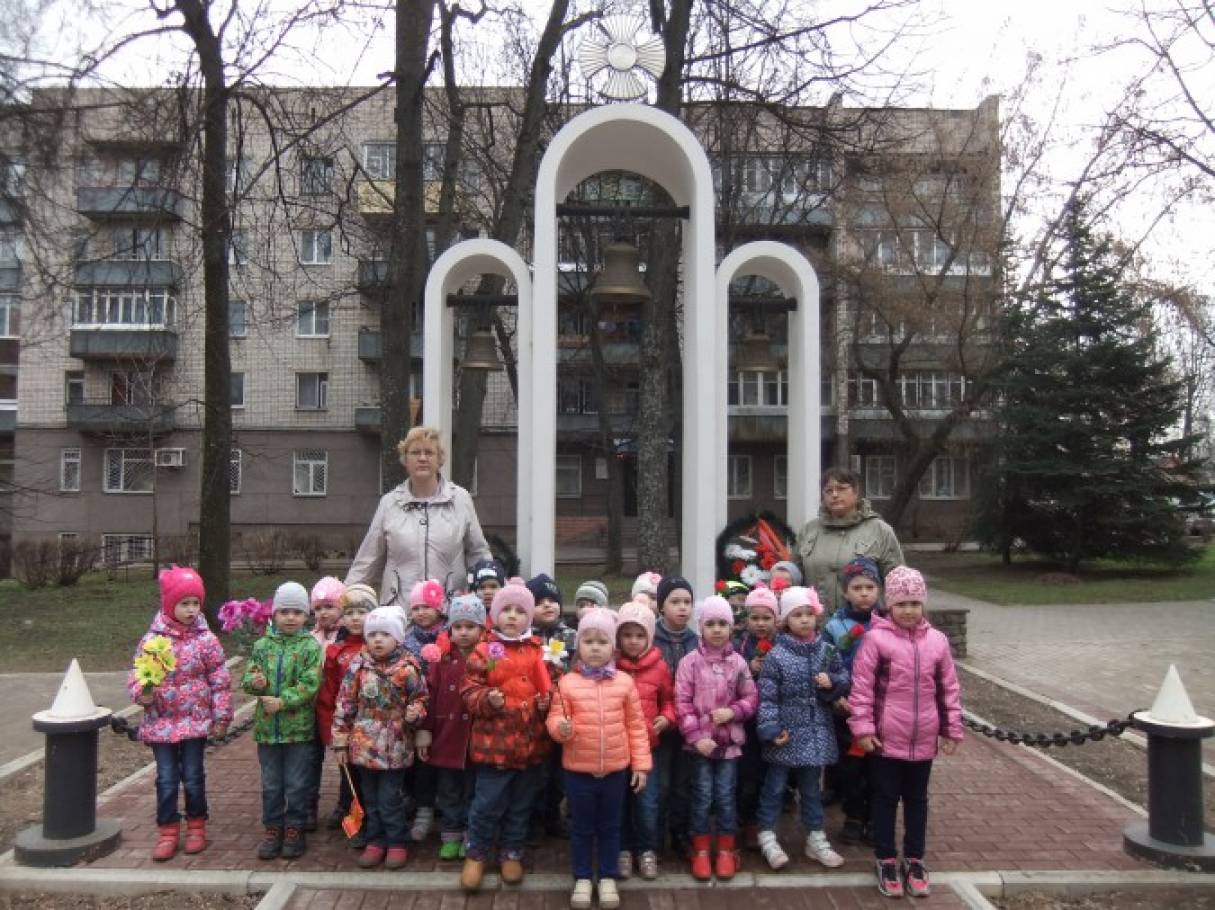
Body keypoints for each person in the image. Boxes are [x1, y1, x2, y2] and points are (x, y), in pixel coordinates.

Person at [849, 566, 964, 899]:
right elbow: (862, 689)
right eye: (901, 604)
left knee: (917, 800)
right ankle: (885, 858)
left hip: (924, 737)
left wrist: (951, 728)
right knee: (885, 799)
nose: (909, 610)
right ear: (890, 605)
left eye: (915, 603)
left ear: (923, 604)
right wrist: (863, 728)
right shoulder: (876, 639)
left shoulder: (937, 641)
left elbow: (948, 688)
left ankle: (915, 858)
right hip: (885, 740)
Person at [548, 608, 652, 910]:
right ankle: (582, 877)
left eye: (602, 641)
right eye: (589, 641)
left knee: (610, 826)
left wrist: (641, 765)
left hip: (615, 772)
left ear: (613, 647)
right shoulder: (567, 683)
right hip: (578, 771)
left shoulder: (624, 683)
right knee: (581, 827)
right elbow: (555, 718)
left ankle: (607, 876)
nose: (595, 648)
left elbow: (636, 726)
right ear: (578, 645)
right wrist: (560, 728)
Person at [130, 566, 232, 862]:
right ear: (169, 604)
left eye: (195, 603)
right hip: (161, 723)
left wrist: (221, 716)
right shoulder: (152, 641)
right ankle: (168, 830)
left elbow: (219, 680)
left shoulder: (206, 640)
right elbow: (137, 675)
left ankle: (197, 825)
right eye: (184, 603)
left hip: (195, 722)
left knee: (193, 776)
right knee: (165, 778)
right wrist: (142, 693)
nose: (191, 610)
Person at [459, 582, 553, 891]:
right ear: (495, 614)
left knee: (520, 805)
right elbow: (469, 690)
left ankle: (511, 851)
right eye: (506, 610)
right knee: (487, 804)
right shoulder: (485, 650)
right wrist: (487, 699)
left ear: (530, 617)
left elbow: (552, 687)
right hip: (494, 747)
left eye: (520, 611)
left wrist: (547, 703)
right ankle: (477, 853)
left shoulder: (540, 651)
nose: (512, 616)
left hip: (529, 746)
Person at [755, 585, 849, 871]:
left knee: (811, 790)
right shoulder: (776, 656)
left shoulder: (827, 652)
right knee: (775, 788)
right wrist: (771, 729)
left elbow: (844, 677)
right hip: (785, 735)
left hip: (815, 733)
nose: (805, 619)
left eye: (809, 613)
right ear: (785, 620)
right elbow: (767, 697)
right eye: (797, 614)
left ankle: (815, 837)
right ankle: (767, 835)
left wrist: (833, 682)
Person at [346, 425, 491, 606]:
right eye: (415, 452)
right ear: (405, 460)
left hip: (449, 610)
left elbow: (478, 553)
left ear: (440, 460)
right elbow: (368, 559)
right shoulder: (389, 503)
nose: (422, 458)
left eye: (429, 452)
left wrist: (491, 589)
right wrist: (343, 599)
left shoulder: (461, 499)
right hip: (400, 611)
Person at [331, 606, 429, 870]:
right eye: (373, 634)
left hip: (395, 745)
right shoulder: (358, 667)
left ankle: (397, 841)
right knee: (370, 798)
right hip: (364, 745)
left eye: (385, 634)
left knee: (390, 798)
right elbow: (345, 703)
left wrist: (415, 713)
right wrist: (340, 741)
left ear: (397, 638)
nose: (378, 640)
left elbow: (421, 698)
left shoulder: (408, 668)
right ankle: (375, 840)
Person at [674, 595, 758, 882]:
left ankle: (725, 848)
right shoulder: (689, 663)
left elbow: (751, 698)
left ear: (731, 627)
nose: (717, 629)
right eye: (710, 624)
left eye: (723, 623)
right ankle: (699, 848)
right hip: (700, 747)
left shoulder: (739, 663)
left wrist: (733, 712)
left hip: (729, 745)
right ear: (701, 627)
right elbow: (682, 704)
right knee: (702, 795)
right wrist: (696, 737)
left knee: (725, 795)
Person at [242, 582, 323, 861]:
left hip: (298, 729)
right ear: (274, 614)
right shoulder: (262, 646)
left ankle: (295, 828)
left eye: (297, 612)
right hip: (268, 730)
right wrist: (255, 681)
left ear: (306, 615)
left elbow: (311, 683)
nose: (290, 617)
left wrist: (284, 700)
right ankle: (273, 827)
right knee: (272, 784)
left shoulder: (310, 647)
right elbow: (249, 675)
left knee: (297, 783)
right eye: (284, 611)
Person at [822, 555, 884, 845]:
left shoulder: (889, 624)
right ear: (846, 592)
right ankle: (854, 816)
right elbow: (827, 665)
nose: (864, 593)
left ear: (879, 590)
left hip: (881, 708)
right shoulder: (835, 627)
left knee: (879, 768)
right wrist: (836, 696)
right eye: (857, 587)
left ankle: (875, 818)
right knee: (851, 767)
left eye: (870, 587)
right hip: (847, 709)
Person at [419, 593, 486, 860]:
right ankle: (451, 832)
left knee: (474, 789)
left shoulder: (487, 658)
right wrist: (425, 730)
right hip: (447, 736)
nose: (464, 632)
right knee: (448, 790)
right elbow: (429, 694)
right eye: (458, 627)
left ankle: (471, 833)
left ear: (481, 629)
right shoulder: (442, 661)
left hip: (476, 739)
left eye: (470, 626)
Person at [615, 601, 676, 881]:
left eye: (639, 635)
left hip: (649, 747)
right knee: (621, 802)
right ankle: (623, 849)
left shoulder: (659, 667)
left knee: (648, 802)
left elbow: (669, 700)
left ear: (649, 636)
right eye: (627, 635)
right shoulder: (611, 667)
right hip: (618, 747)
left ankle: (647, 849)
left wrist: (667, 717)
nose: (633, 641)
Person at [795, 467, 904, 615]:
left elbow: (897, 582)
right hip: (815, 623)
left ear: (855, 492)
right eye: (828, 490)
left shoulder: (879, 530)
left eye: (841, 489)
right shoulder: (809, 531)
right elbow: (795, 576)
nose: (834, 494)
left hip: (865, 623)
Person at [316, 583, 376, 836]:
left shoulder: (379, 647)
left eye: (362, 612)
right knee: (348, 770)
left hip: (373, 727)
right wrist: (329, 729)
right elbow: (327, 694)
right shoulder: (336, 652)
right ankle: (348, 807)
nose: (355, 618)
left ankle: (371, 815)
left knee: (369, 772)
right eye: (349, 612)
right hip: (345, 726)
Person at [526, 572, 576, 842]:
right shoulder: (525, 638)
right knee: (537, 773)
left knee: (559, 772)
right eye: (539, 601)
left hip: (562, 712)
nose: (547, 605)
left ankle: (552, 817)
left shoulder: (570, 636)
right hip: (533, 714)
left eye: (552, 600)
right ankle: (533, 820)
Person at [652, 574, 697, 860]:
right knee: (661, 784)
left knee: (683, 784)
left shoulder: (696, 641)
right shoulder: (650, 638)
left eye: (687, 602)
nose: (682, 607)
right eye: (675, 601)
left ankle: (681, 834)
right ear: (661, 606)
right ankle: (654, 838)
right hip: (659, 724)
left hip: (688, 726)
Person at [733, 584, 779, 848]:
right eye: (755, 618)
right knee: (748, 775)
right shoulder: (738, 647)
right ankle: (748, 821)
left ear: (776, 619)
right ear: (746, 619)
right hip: (748, 722)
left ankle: (767, 823)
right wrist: (748, 669)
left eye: (766, 618)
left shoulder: (783, 645)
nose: (761, 623)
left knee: (771, 775)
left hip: (774, 720)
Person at [305, 575, 346, 831]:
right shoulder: (310, 638)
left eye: (330, 606)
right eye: (318, 608)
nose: (323, 613)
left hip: (340, 707)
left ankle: (345, 804)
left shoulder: (347, 637)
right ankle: (309, 805)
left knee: (344, 758)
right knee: (311, 759)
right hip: (313, 708)